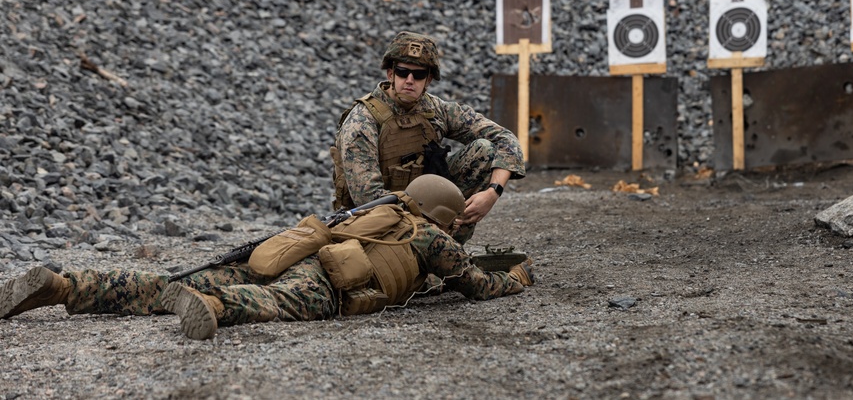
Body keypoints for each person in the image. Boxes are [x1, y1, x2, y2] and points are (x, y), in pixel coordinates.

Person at [0, 175, 534, 341]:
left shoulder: (375, 209)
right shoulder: (433, 239)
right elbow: (477, 287)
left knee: (170, 278)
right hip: (328, 279)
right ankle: (211, 304)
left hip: (286, 250)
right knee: (272, 302)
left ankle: (67, 285)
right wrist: (516, 275)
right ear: (445, 212)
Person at [332, 30, 525, 245]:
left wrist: (492, 193)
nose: (410, 80)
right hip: (378, 224)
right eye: (403, 72)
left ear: (429, 80)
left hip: (428, 213)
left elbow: (505, 138)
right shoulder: (363, 120)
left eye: (419, 75)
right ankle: (433, 251)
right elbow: (368, 199)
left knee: (484, 150)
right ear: (390, 74)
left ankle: (447, 247)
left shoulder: (435, 109)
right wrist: (426, 224)